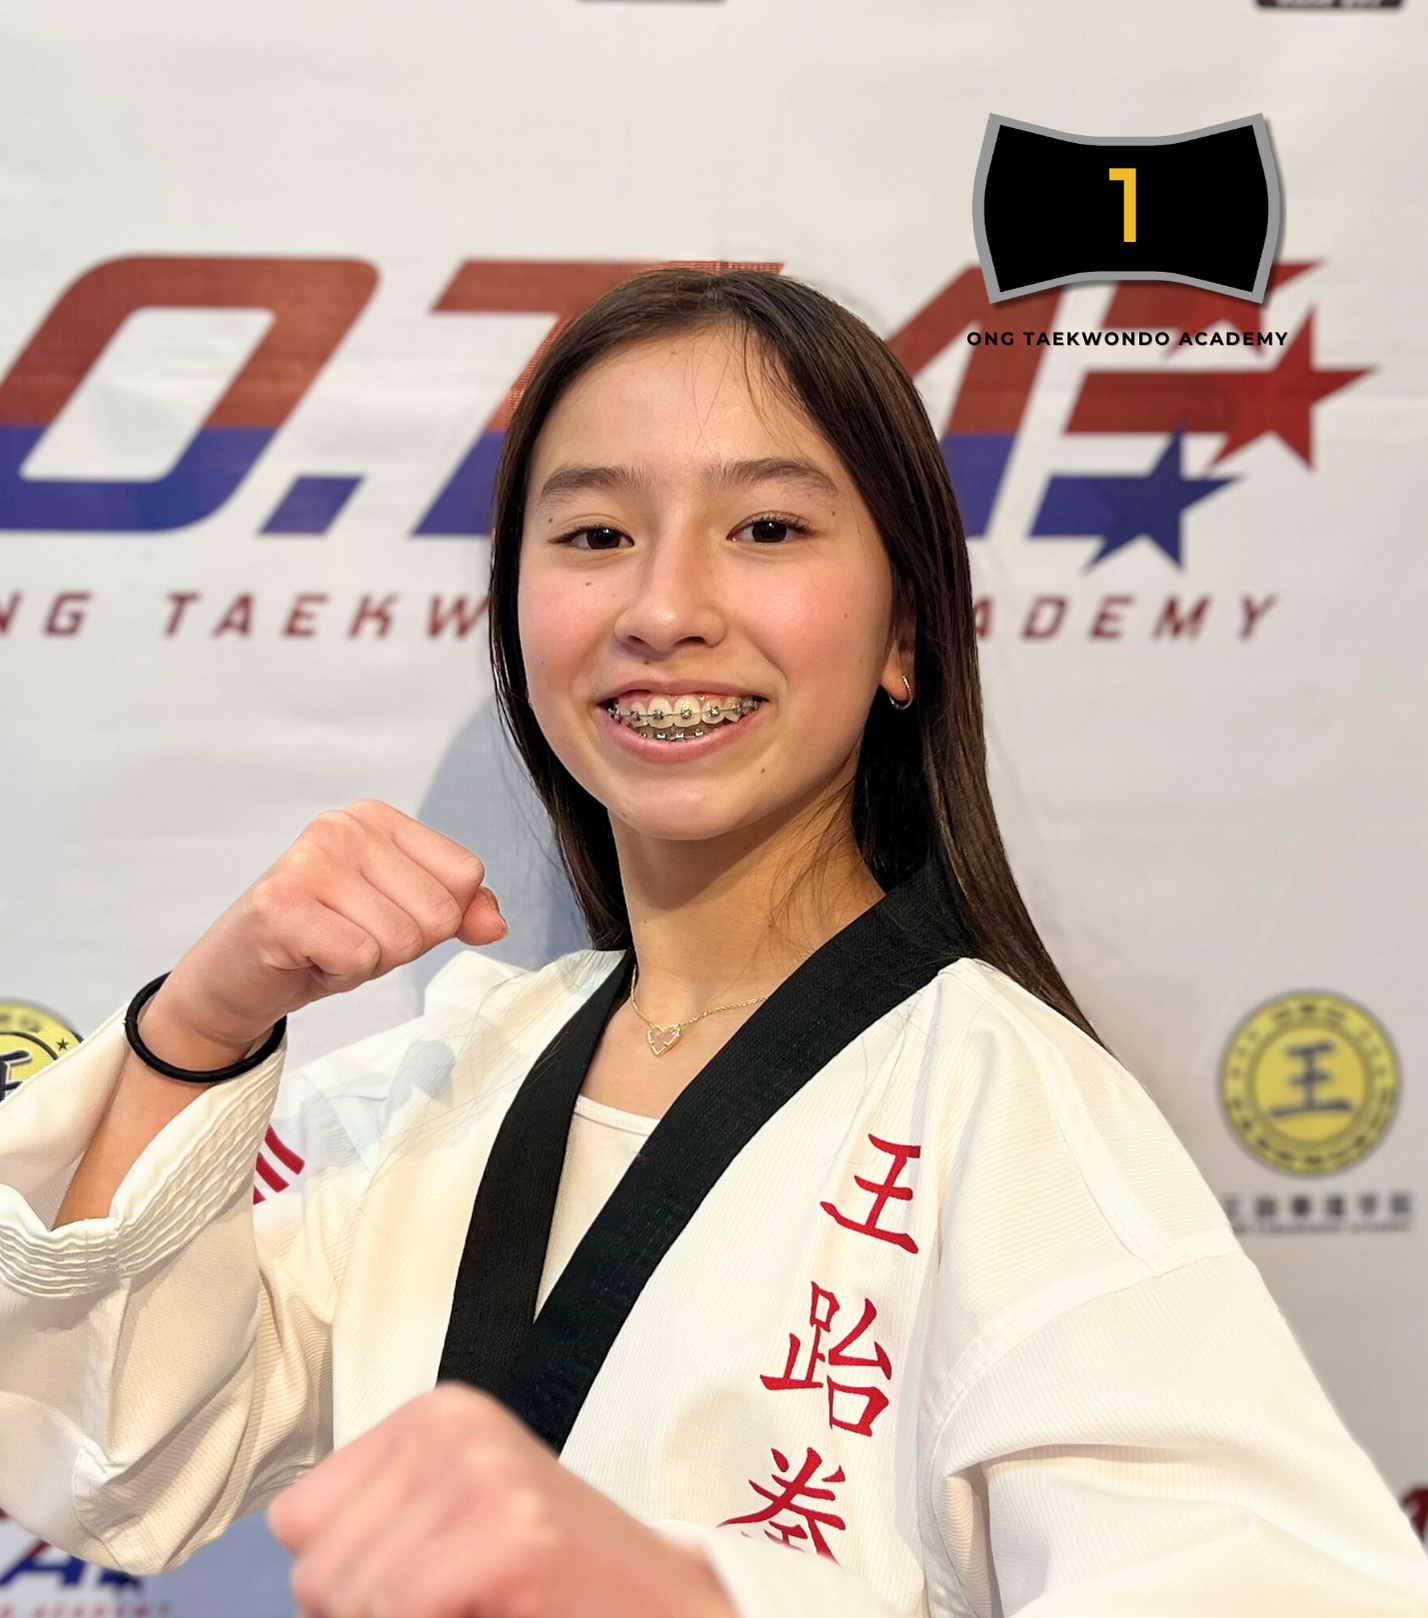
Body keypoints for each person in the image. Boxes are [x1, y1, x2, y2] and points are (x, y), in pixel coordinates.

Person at [1, 268, 1424, 1618]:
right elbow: (110, 1458)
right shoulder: (459, 1074)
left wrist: (689, 1594)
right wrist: (201, 1027)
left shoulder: (1001, 1100)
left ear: (905, 635)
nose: (664, 610)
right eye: (595, 536)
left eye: (768, 529)